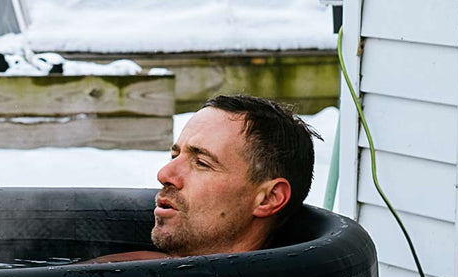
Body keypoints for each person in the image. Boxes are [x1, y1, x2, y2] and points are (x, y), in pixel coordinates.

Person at [92, 94, 320, 262]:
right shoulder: (140, 267)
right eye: (175, 155)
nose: (164, 175)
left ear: (268, 198)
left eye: (201, 163)